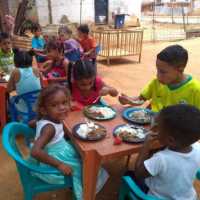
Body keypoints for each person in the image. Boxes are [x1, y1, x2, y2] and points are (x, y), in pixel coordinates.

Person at [30, 84, 109, 200]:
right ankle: (86, 192)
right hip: (53, 160)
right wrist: (59, 164)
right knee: (87, 168)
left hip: (58, 151)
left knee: (82, 153)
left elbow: (32, 123)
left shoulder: (48, 118)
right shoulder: (49, 128)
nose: (62, 107)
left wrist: (35, 126)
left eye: (64, 102)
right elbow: (35, 152)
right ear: (44, 110)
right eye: (54, 105)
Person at [125, 104, 200, 200]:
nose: (154, 129)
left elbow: (139, 173)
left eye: (158, 127)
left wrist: (146, 145)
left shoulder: (161, 159)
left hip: (158, 197)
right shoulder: (198, 148)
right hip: (188, 197)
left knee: (128, 175)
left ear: (171, 140)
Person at [119, 45, 200, 112]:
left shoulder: (196, 90)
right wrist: (130, 101)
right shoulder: (157, 83)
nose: (158, 76)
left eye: (163, 72)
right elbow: (141, 99)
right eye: (157, 70)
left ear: (180, 69)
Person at [7, 49, 42, 113]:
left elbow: (9, 89)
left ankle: (10, 115)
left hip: (23, 107)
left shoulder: (15, 71)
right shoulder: (36, 70)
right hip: (37, 106)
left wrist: (17, 87)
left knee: (10, 96)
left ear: (15, 61)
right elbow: (42, 87)